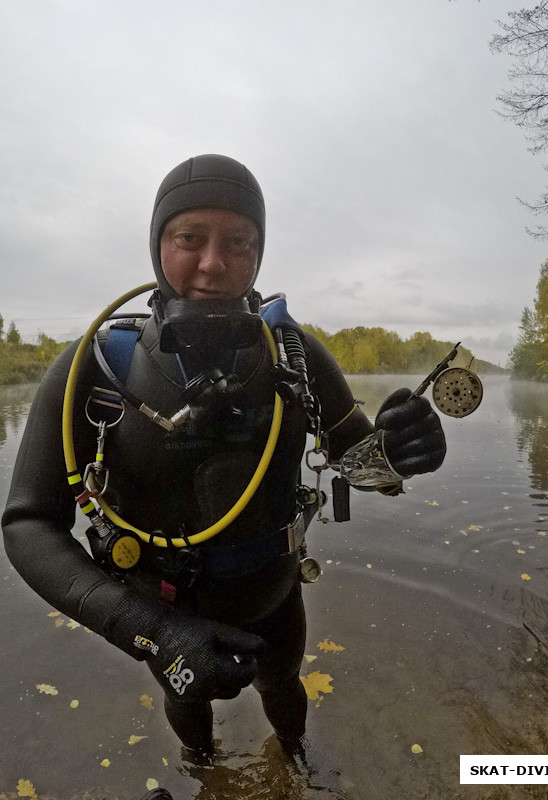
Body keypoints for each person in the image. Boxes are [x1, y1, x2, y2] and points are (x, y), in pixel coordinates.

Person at [1, 155, 446, 759]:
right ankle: (203, 770)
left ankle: (295, 765)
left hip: (274, 599)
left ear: (259, 253)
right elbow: (27, 523)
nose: (214, 263)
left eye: (239, 241)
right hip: (160, 613)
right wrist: (152, 632)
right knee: (187, 711)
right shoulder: (99, 368)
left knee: (284, 691)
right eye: (190, 238)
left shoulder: (296, 355)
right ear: (157, 245)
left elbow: (359, 463)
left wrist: (399, 453)